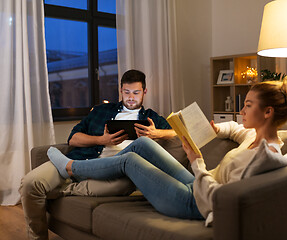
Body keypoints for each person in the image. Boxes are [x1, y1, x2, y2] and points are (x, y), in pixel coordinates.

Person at [47, 76, 287, 227]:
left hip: (196, 203)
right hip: (198, 185)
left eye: (248, 105)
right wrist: (213, 129)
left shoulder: (261, 157)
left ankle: (70, 167)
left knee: (130, 161)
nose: (242, 111)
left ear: (268, 112)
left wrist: (197, 161)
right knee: (144, 144)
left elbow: (219, 201)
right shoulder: (254, 135)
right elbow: (234, 128)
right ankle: (80, 167)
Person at [19, 69, 176, 240]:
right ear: (120, 90)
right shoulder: (101, 111)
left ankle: (62, 185)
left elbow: (178, 133)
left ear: (144, 92)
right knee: (29, 183)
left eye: (136, 93)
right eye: (127, 92)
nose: (131, 97)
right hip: (80, 158)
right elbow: (73, 139)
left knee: (125, 185)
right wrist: (102, 140)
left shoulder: (152, 118)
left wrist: (156, 133)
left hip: (112, 172)